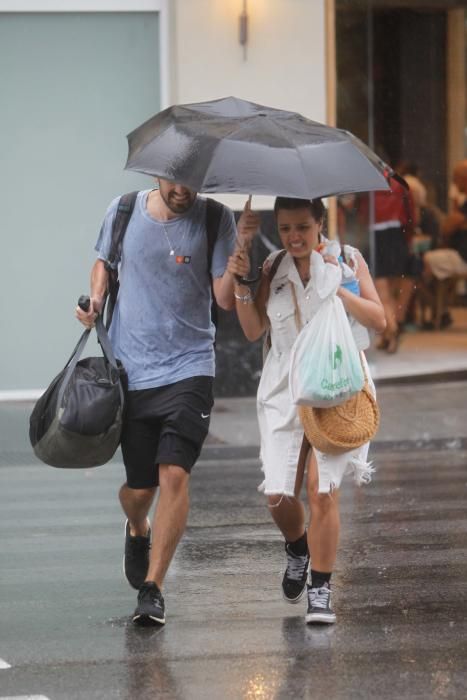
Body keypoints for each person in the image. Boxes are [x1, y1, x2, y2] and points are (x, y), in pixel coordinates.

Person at [76, 178, 259, 626]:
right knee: (140, 490)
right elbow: (104, 262)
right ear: (156, 172)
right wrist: (96, 298)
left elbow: (223, 301)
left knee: (174, 473)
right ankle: (138, 526)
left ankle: (153, 588)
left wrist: (239, 265)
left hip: (190, 367)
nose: (182, 189)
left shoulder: (215, 218)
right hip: (132, 371)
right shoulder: (122, 210)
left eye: (191, 181)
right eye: (174, 180)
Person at [227, 197, 386, 624]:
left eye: (302, 227)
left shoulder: (346, 260)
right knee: (279, 496)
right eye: (284, 228)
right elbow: (252, 329)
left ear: (320, 223)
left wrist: (339, 290)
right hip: (282, 390)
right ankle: (297, 545)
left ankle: (321, 588)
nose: (294, 237)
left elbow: (379, 320)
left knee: (322, 491)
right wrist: (243, 281)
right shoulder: (273, 268)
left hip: (334, 386)